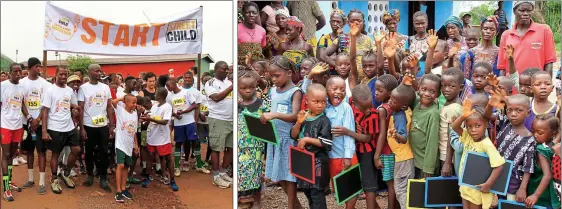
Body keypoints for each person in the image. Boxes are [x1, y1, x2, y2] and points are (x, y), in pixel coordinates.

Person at [262, 56, 303, 209]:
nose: (273, 79)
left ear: (288, 73)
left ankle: (291, 206)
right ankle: (298, 206)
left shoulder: (295, 92)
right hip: (275, 138)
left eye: (277, 75)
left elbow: (294, 115)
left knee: (289, 176)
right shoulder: (273, 90)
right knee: (279, 175)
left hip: (288, 139)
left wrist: (274, 115)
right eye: (271, 75)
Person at [451, 99, 505, 209]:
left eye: (477, 125)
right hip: (465, 185)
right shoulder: (467, 137)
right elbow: (454, 127)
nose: (473, 130)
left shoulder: (487, 144)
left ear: (485, 125)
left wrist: (488, 184)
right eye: (469, 126)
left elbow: (499, 165)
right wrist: (463, 116)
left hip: (478, 188)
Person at [41, 65, 81, 194]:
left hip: (69, 126)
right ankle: (54, 179)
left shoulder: (69, 90)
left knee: (76, 150)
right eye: (61, 74)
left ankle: (66, 173)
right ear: (56, 75)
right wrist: (44, 131)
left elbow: (73, 104)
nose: (63, 77)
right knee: (55, 154)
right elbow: (45, 111)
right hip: (54, 127)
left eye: (65, 74)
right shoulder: (50, 90)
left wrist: (75, 109)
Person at [290, 84, 332, 209]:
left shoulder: (324, 120)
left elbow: (326, 142)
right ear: (307, 101)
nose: (320, 105)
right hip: (304, 161)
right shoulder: (304, 116)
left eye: (323, 102)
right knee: (307, 191)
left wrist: (307, 139)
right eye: (316, 101)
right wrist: (298, 122)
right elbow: (293, 135)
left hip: (318, 161)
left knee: (316, 193)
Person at [78, 64, 114, 192]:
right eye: (96, 71)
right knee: (89, 151)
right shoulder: (83, 88)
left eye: (100, 71)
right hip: (88, 125)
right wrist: (81, 128)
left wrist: (111, 124)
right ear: (90, 72)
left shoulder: (105, 87)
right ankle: (90, 176)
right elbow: (81, 108)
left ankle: (103, 177)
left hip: (103, 125)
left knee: (104, 152)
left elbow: (109, 106)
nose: (99, 73)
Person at [19, 57, 52, 195]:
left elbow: (45, 105)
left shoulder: (45, 84)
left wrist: (38, 119)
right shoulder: (22, 83)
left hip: (40, 124)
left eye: (40, 66)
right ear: (30, 68)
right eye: (36, 66)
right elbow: (21, 102)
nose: (39, 68)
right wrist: (29, 118)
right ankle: (31, 179)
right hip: (26, 123)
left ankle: (42, 182)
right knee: (29, 151)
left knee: (41, 152)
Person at [497, 1, 557, 76]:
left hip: (535, 84)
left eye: (529, 10)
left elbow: (549, 62)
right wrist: (502, 86)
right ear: (514, 11)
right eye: (522, 10)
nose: (526, 13)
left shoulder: (544, 30)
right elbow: (502, 67)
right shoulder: (506, 35)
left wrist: (545, 84)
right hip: (512, 84)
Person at [237, 69, 269, 208]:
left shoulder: (263, 104)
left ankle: (257, 202)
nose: (248, 91)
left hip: (257, 147)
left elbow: (269, 127)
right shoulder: (236, 106)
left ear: (256, 87)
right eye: (243, 88)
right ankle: (242, 201)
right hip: (240, 148)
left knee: (257, 176)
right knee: (242, 175)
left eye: (251, 87)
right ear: (238, 89)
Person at [324, 77, 357, 207]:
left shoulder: (346, 108)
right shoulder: (324, 105)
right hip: (332, 155)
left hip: (345, 155)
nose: (339, 92)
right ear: (327, 91)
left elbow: (349, 133)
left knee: (352, 188)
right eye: (335, 89)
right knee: (339, 188)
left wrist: (348, 157)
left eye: (342, 90)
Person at [141, 87, 178, 191]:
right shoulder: (154, 106)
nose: (155, 94)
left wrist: (150, 119)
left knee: (167, 158)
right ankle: (148, 178)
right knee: (150, 157)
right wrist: (145, 120)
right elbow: (152, 119)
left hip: (162, 138)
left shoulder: (167, 107)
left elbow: (165, 121)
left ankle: (172, 180)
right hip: (152, 137)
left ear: (159, 96)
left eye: (156, 93)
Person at [322, 9, 374, 83]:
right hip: (347, 80)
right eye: (352, 21)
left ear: (363, 22)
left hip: (365, 79)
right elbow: (324, 55)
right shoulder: (342, 38)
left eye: (359, 21)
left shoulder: (368, 39)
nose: (355, 23)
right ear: (348, 22)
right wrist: (339, 66)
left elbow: (373, 58)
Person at [1, 63, 28, 201]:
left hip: (17, 125)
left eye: (20, 71)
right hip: (5, 124)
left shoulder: (22, 86)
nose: (18, 74)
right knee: (5, 154)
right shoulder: (3, 85)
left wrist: (28, 116)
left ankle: (9, 181)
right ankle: (6, 188)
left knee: (12, 154)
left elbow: (22, 103)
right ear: (10, 72)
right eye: (15, 71)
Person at [204, 61, 234, 188]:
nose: (226, 71)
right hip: (217, 119)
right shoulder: (210, 83)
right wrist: (232, 87)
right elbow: (216, 98)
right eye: (223, 69)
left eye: (227, 69)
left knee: (230, 148)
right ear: (216, 69)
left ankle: (223, 172)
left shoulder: (229, 82)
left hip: (231, 120)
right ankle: (216, 176)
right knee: (216, 148)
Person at [410, 74, 441, 178]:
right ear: (419, 88)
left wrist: (428, 168)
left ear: (438, 94)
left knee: (424, 192)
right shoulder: (416, 102)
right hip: (413, 160)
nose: (427, 94)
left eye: (432, 91)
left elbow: (432, 142)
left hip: (424, 164)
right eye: (424, 89)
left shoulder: (433, 113)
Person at [111, 94, 140, 202]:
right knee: (120, 165)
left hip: (129, 145)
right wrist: (121, 99)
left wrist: (136, 145)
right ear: (126, 103)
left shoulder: (135, 114)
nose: (135, 104)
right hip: (120, 144)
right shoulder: (120, 111)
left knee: (126, 166)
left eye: (135, 102)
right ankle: (118, 190)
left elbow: (133, 132)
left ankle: (123, 188)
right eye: (133, 102)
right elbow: (113, 102)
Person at [166, 77, 197, 177]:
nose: (168, 87)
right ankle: (176, 167)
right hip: (178, 123)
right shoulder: (169, 97)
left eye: (169, 85)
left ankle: (199, 164)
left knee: (194, 141)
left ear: (174, 83)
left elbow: (194, 105)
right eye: (166, 86)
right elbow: (168, 110)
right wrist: (175, 115)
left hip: (189, 121)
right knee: (178, 143)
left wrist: (183, 112)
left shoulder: (186, 92)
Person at [528, 114, 561, 208]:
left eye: (540, 133)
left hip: (540, 194)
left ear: (552, 133)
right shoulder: (554, 145)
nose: (535, 135)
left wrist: (535, 195)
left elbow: (547, 175)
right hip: (553, 194)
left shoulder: (541, 149)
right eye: (533, 131)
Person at [439, 68, 464, 178]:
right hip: (445, 153)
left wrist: (447, 162)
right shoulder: (449, 103)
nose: (446, 89)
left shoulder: (453, 108)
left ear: (461, 87)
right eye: (443, 86)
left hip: (448, 155)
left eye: (452, 86)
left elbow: (452, 134)